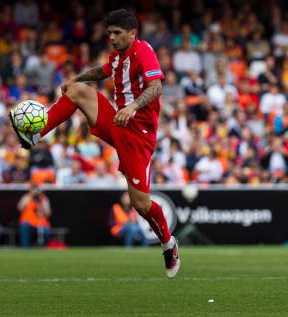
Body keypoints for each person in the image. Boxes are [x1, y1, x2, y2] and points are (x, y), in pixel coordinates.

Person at [9, 9, 180, 278]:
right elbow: (103, 71)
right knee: (77, 92)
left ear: (132, 34)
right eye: (109, 33)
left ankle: (168, 243)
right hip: (118, 121)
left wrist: (134, 106)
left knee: (141, 204)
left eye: (117, 33)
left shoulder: (143, 51)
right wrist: (77, 79)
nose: (111, 38)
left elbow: (157, 86)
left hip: (138, 135)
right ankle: (36, 133)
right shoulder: (118, 55)